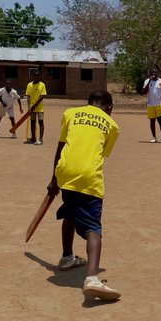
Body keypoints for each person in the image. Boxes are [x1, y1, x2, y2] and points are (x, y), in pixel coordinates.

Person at [47, 90, 121, 301]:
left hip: (65, 171)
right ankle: (92, 278)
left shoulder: (70, 113)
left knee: (70, 211)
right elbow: (100, 153)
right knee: (93, 228)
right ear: (110, 108)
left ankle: (67, 258)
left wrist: (54, 180)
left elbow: (61, 148)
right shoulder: (111, 125)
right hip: (88, 176)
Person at [142, 67, 161, 144]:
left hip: (159, 104)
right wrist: (149, 81)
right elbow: (144, 91)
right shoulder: (147, 81)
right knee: (152, 121)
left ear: (157, 73)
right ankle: (154, 137)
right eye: (152, 73)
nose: (154, 74)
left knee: (160, 121)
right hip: (150, 104)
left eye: (155, 72)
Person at [25, 67, 47, 146]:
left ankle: (40, 139)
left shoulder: (42, 85)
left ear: (40, 76)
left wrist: (34, 105)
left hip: (39, 108)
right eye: (35, 76)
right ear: (33, 76)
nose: (37, 77)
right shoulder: (29, 85)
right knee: (32, 122)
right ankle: (33, 138)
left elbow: (42, 97)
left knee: (40, 122)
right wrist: (29, 107)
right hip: (32, 108)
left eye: (38, 76)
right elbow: (28, 96)